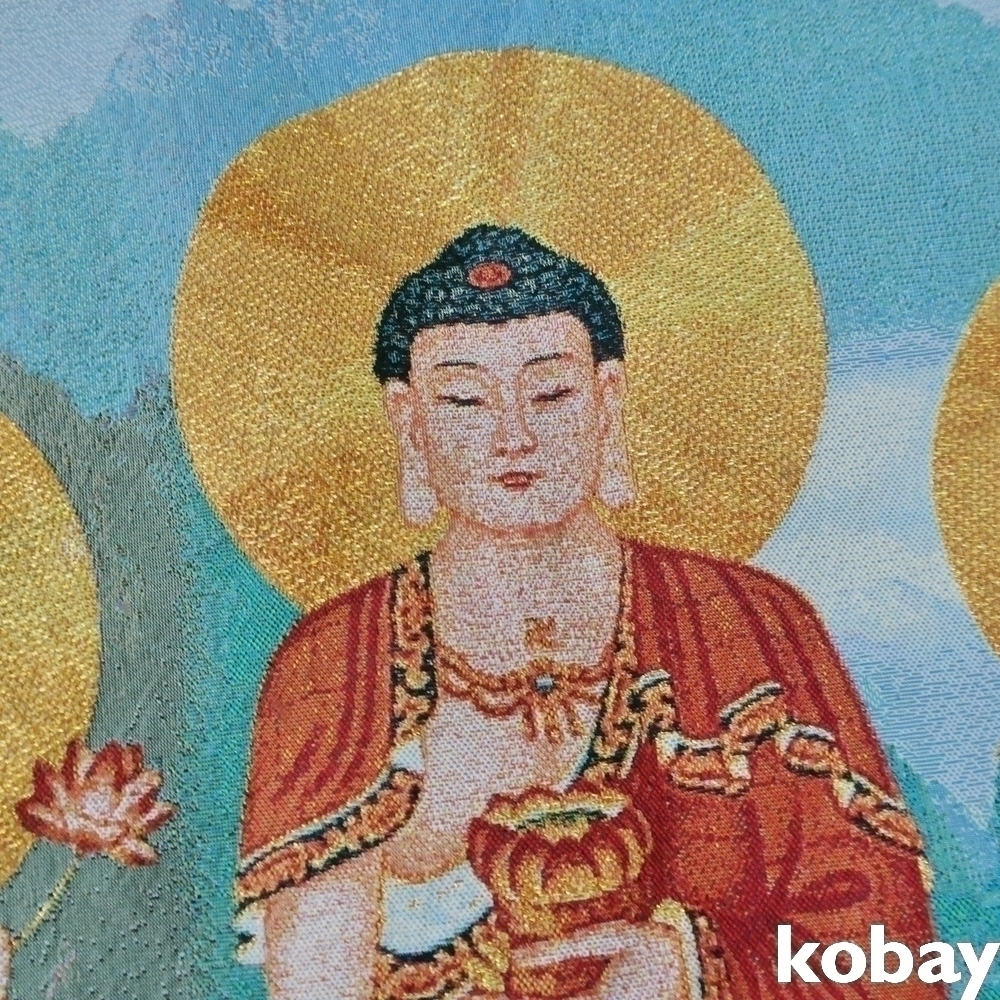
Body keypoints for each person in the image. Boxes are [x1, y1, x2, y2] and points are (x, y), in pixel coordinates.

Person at [235, 225, 943, 999]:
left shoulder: (750, 628)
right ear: (409, 422)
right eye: (465, 400)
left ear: (607, 401)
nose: (514, 437)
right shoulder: (335, 665)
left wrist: (685, 971)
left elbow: (893, 962)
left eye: (550, 394)